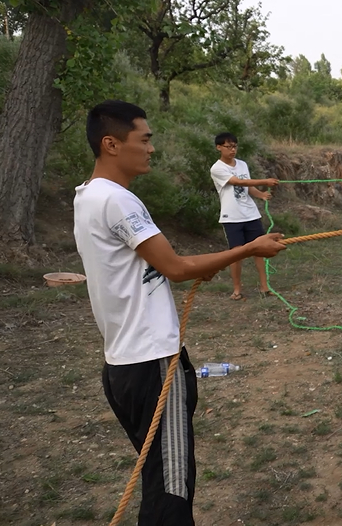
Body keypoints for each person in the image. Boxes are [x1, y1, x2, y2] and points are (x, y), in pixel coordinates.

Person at [73, 101, 286, 526]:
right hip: (151, 364)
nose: (151, 149)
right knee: (170, 490)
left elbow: (156, 265)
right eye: (144, 140)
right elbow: (176, 267)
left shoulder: (88, 195)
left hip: (123, 365)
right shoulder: (118, 200)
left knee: (160, 477)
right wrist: (249, 248)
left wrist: (199, 266)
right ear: (111, 144)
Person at [210, 132, 279, 300]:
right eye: (228, 147)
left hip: (251, 215)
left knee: (260, 250)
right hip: (232, 218)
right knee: (236, 254)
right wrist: (264, 181)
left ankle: (264, 287)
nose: (232, 150)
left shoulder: (242, 164)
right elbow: (237, 182)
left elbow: (247, 186)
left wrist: (261, 195)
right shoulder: (217, 168)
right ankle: (237, 290)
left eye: (234, 146)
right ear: (219, 147)